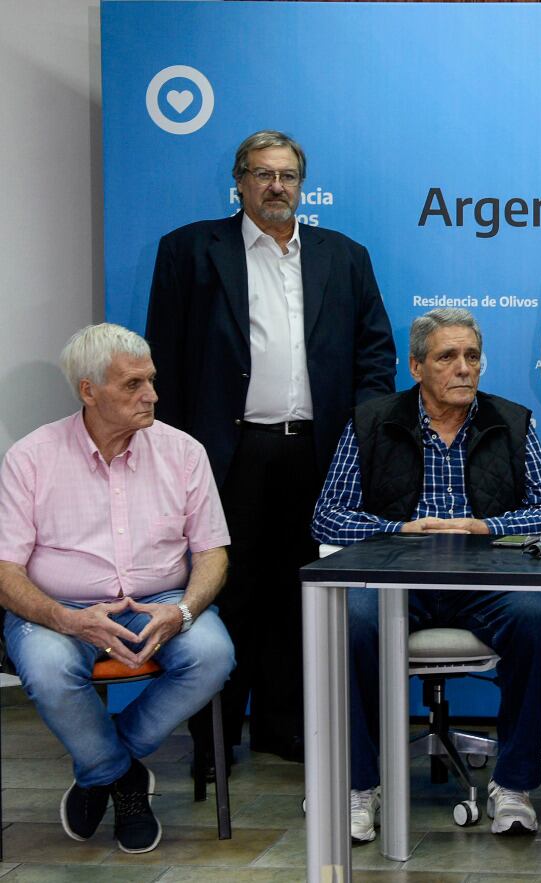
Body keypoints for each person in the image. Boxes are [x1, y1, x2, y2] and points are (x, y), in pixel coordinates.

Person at [145, 130, 397, 775]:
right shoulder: (189, 251)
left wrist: (357, 440)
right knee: (225, 592)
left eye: (287, 175)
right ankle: (213, 738)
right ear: (239, 181)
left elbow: (375, 354)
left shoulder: (344, 257)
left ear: (302, 184)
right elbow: (163, 360)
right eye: (262, 174)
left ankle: (283, 727)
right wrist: (174, 457)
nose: (276, 186)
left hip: (316, 453)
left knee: (297, 592)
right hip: (226, 455)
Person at [313, 308, 541, 841]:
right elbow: (328, 516)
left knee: (535, 619)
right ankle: (361, 785)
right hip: (397, 579)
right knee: (354, 622)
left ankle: (513, 785)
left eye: (472, 356)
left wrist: (484, 526)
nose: (464, 368)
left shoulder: (512, 421)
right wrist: (400, 530)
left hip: (487, 580)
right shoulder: (371, 422)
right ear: (416, 367)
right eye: (447, 357)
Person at [0, 324, 235, 854]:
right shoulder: (31, 457)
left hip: (161, 603)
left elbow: (213, 554)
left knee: (213, 655)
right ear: (88, 390)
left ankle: (100, 769)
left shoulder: (183, 451)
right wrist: (65, 618)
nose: (151, 395)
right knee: (48, 669)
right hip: (59, 609)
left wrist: (183, 611)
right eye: (133, 384)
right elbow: (5, 570)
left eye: (150, 380)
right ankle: (124, 779)